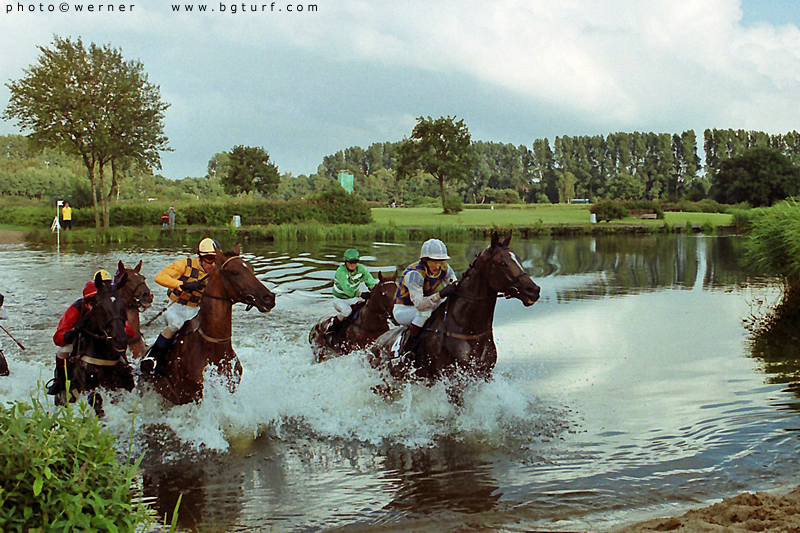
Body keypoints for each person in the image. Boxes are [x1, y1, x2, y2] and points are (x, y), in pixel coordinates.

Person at [140, 237, 219, 374]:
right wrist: (182, 284)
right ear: (200, 257)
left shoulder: (217, 271)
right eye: (209, 260)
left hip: (197, 310)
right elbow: (159, 277)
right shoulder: (185, 265)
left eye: (216, 260)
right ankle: (153, 358)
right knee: (176, 323)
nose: (213, 265)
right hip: (177, 308)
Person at [48, 271, 131, 396]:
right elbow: (58, 337)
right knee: (63, 350)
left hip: (106, 339)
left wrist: (122, 333)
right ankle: (60, 381)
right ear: (86, 302)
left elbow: (129, 330)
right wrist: (74, 330)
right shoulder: (77, 308)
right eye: (91, 303)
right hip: (81, 339)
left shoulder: (109, 307)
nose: (94, 307)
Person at [393, 239, 458, 346]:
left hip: (425, 305)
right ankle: (409, 346)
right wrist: (440, 294)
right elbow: (420, 305)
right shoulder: (414, 274)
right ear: (425, 260)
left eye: (440, 261)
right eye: (433, 262)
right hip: (404, 309)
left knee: (446, 305)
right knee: (425, 313)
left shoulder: (445, 268)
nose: (437, 266)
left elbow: (455, 286)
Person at [330, 249, 378, 334]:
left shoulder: (361, 269)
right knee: (347, 311)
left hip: (353, 298)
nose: (353, 265)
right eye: (350, 262)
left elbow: (370, 282)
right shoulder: (341, 272)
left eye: (355, 262)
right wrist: (361, 294)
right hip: (340, 299)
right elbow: (347, 290)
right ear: (345, 261)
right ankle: (332, 327)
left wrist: (376, 291)